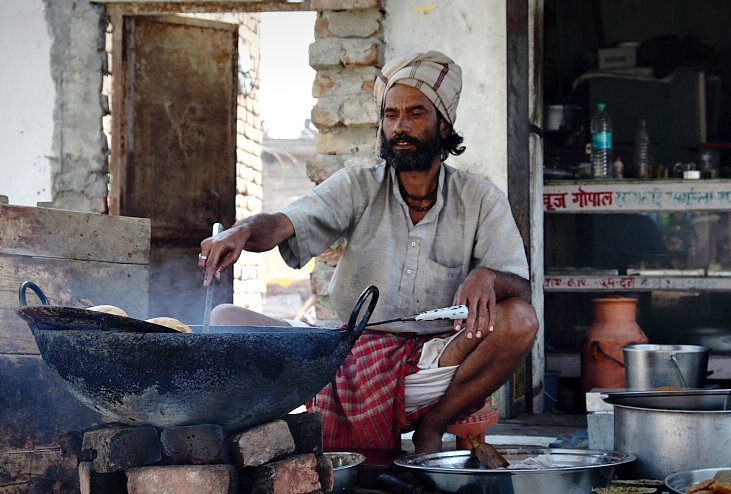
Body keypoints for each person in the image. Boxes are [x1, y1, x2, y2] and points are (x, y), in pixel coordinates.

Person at [199, 51, 538, 454]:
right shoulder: (358, 185)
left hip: (435, 361)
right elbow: (284, 223)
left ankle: (433, 427)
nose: (400, 126)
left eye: (415, 114)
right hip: (344, 353)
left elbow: (520, 289)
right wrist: (240, 232)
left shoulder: (480, 199)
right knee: (225, 319)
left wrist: (490, 277)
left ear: (443, 126)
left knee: (520, 320)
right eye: (391, 115)